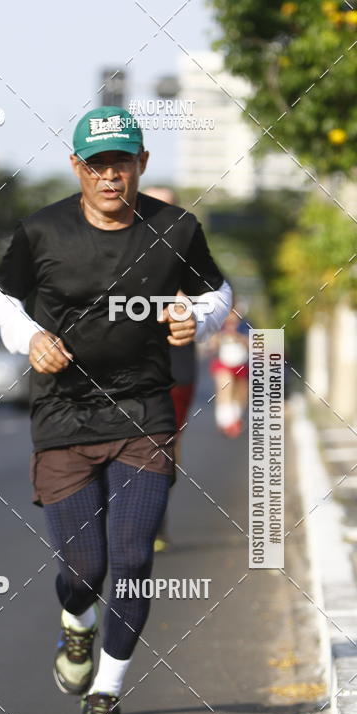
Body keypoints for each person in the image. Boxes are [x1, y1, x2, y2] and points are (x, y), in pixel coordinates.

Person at [0, 106, 232, 714]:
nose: (110, 177)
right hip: (64, 414)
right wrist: (30, 337)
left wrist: (198, 319)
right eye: (96, 165)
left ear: (141, 163)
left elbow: (216, 291)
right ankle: (77, 624)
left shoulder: (174, 228)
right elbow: (3, 296)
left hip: (144, 411)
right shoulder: (42, 231)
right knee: (84, 571)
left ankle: (107, 690)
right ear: (76, 167)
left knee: (131, 556)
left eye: (121, 163)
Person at [143, 186, 198, 552]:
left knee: (163, 442)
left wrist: (189, 307)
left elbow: (220, 299)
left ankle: (154, 518)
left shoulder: (191, 253)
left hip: (176, 367)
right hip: (120, 367)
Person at [210, 310, 250, 438]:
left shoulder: (245, 326)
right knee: (226, 387)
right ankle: (224, 420)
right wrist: (218, 337)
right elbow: (212, 345)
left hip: (241, 364)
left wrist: (238, 337)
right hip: (224, 364)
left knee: (241, 393)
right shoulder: (220, 326)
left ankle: (235, 418)